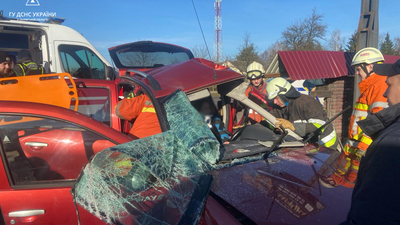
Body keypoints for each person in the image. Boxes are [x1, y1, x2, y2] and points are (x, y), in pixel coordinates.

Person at [340, 59, 400, 225]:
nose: (386, 93)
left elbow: (372, 214)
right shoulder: (366, 89)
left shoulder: (391, 144)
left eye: (390, 85)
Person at [266, 77, 338, 149]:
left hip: (326, 144)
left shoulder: (307, 103)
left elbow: (318, 126)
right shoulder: (281, 107)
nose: (274, 102)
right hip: (310, 145)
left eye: (276, 98)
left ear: (284, 94)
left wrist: (293, 127)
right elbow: (270, 119)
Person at [344, 47, 387, 160]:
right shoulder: (370, 86)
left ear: (370, 67)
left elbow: (380, 119)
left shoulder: (380, 86)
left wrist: (363, 147)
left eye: (358, 69)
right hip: (356, 149)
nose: (357, 73)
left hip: (362, 152)